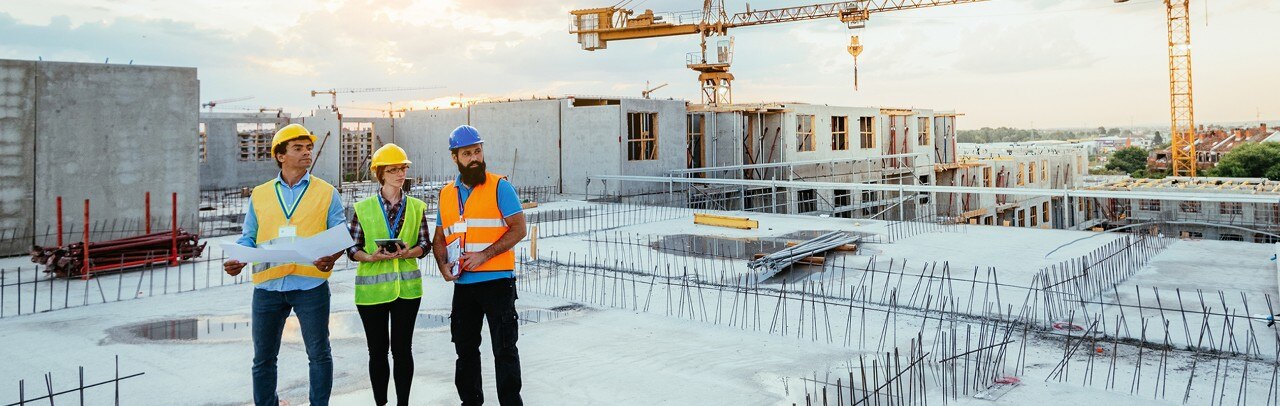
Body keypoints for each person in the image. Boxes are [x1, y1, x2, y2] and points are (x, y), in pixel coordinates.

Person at [223, 123, 346, 406]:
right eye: (298, 148)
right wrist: (238, 259)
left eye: (308, 148)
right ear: (281, 155)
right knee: (263, 358)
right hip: (268, 285)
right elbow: (248, 236)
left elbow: (339, 235)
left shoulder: (327, 193)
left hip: (310, 284)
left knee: (318, 354)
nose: (307, 153)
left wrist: (332, 257)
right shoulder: (261, 193)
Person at [432, 125, 527, 405]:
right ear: (455, 158)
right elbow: (439, 237)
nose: (474, 158)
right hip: (463, 286)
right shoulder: (446, 194)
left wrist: (484, 255)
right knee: (465, 351)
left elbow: (518, 229)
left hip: (497, 283)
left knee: (505, 350)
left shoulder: (500, 186)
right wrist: (443, 266)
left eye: (477, 151)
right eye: (467, 153)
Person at [346, 143, 430, 406]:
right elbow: (351, 247)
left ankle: (402, 403)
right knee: (378, 352)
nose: (400, 174)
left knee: (403, 351)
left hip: (407, 291)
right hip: (371, 294)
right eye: (393, 169)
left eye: (403, 168)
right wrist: (371, 257)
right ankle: (381, 403)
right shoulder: (364, 208)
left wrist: (408, 253)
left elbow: (425, 244)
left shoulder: (416, 207)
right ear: (380, 174)